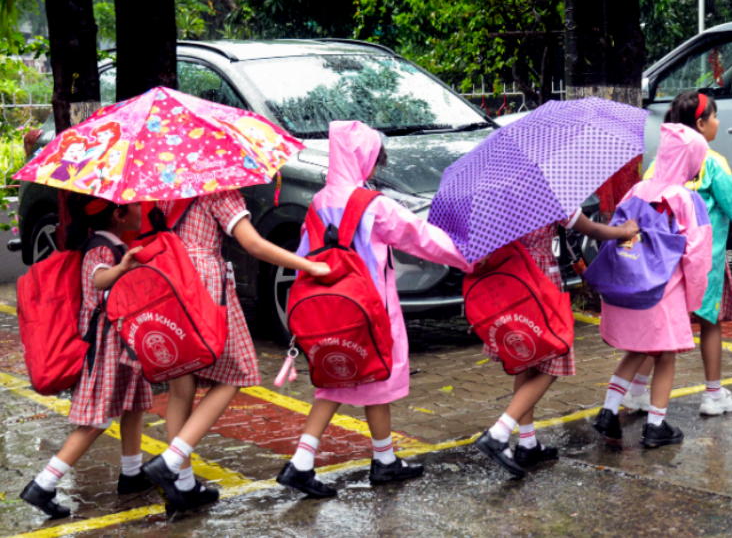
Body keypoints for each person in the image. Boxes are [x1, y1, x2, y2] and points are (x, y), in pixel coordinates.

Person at [275, 121, 470, 498]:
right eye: (375, 159)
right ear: (364, 158)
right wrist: (468, 256)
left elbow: (303, 255)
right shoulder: (373, 204)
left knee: (335, 381)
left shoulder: (318, 202)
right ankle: (367, 461)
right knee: (378, 376)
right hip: (370, 307)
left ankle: (327, 460)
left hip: (329, 308)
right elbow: (420, 237)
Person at [142, 190, 329, 514]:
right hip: (201, 286)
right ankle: (172, 459)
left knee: (180, 387)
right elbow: (253, 243)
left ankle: (182, 483)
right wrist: (308, 266)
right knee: (236, 374)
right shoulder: (217, 190)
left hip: (164, 279)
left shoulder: (163, 185)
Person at [626, 91, 732, 417]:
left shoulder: (660, 163)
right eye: (714, 116)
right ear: (701, 124)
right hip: (705, 260)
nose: (718, 122)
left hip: (667, 261)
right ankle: (713, 395)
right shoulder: (713, 162)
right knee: (710, 323)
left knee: (659, 326)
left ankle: (636, 391)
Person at [474, 210, 639, 477]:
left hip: (510, 281)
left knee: (525, 361)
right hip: (539, 283)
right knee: (554, 358)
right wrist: (625, 231)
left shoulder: (494, 202)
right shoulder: (547, 196)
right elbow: (592, 229)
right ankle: (499, 432)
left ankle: (527, 443)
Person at [20, 196, 151, 519]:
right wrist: (123, 268)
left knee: (134, 404)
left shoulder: (115, 244)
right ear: (118, 214)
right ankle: (43, 484)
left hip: (121, 344)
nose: (141, 209)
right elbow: (99, 279)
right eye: (136, 205)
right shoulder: (100, 248)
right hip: (104, 348)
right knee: (95, 421)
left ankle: (132, 472)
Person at [592, 123, 713, 448]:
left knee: (637, 349)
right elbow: (698, 255)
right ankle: (656, 425)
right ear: (691, 161)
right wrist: (694, 300)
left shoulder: (637, 189)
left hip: (629, 285)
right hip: (664, 293)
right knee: (665, 356)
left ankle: (608, 411)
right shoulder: (687, 199)